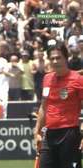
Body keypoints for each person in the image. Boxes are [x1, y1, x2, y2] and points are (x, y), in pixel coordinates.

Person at [34, 40, 83, 168]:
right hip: (49, 134)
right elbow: (43, 107)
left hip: (70, 134)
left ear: (66, 58)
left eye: (58, 58)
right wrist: (37, 131)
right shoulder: (47, 78)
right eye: (52, 58)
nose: (55, 61)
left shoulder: (78, 79)